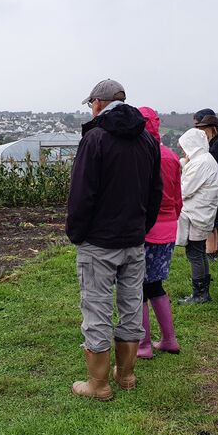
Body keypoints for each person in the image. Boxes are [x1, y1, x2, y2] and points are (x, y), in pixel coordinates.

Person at [66, 79, 162, 400]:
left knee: (96, 308)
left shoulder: (95, 140)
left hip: (98, 242)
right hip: (134, 240)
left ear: (97, 103)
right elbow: (154, 193)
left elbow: (82, 195)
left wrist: (76, 233)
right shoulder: (147, 140)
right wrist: (141, 228)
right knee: (131, 306)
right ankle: (127, 375)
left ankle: (98, 384)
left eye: (91, 103)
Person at [136, 107, 182, 359]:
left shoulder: (140, 156)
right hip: (168, 228)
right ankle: (169, 338)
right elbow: (177, 198)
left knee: (137, 287)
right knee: (155, 284)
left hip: (146, 229)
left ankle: (143, 344)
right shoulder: (171, 156)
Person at [176, 128, 218, 305]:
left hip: (197, 215)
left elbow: (184, 189)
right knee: (199, 253)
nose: (183, 152)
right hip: (201, 213)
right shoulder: (204, 159)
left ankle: (200, 294)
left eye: (184, 147)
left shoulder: (201, 163)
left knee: (195, 253)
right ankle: (202, 292)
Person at [194, 113, 218, 258]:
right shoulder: (214, 142)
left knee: (212, 222)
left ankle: (212, 251)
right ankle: (212, 251)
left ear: (212, 129)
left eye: (204, 128)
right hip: (216, 187)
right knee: (213, 221)